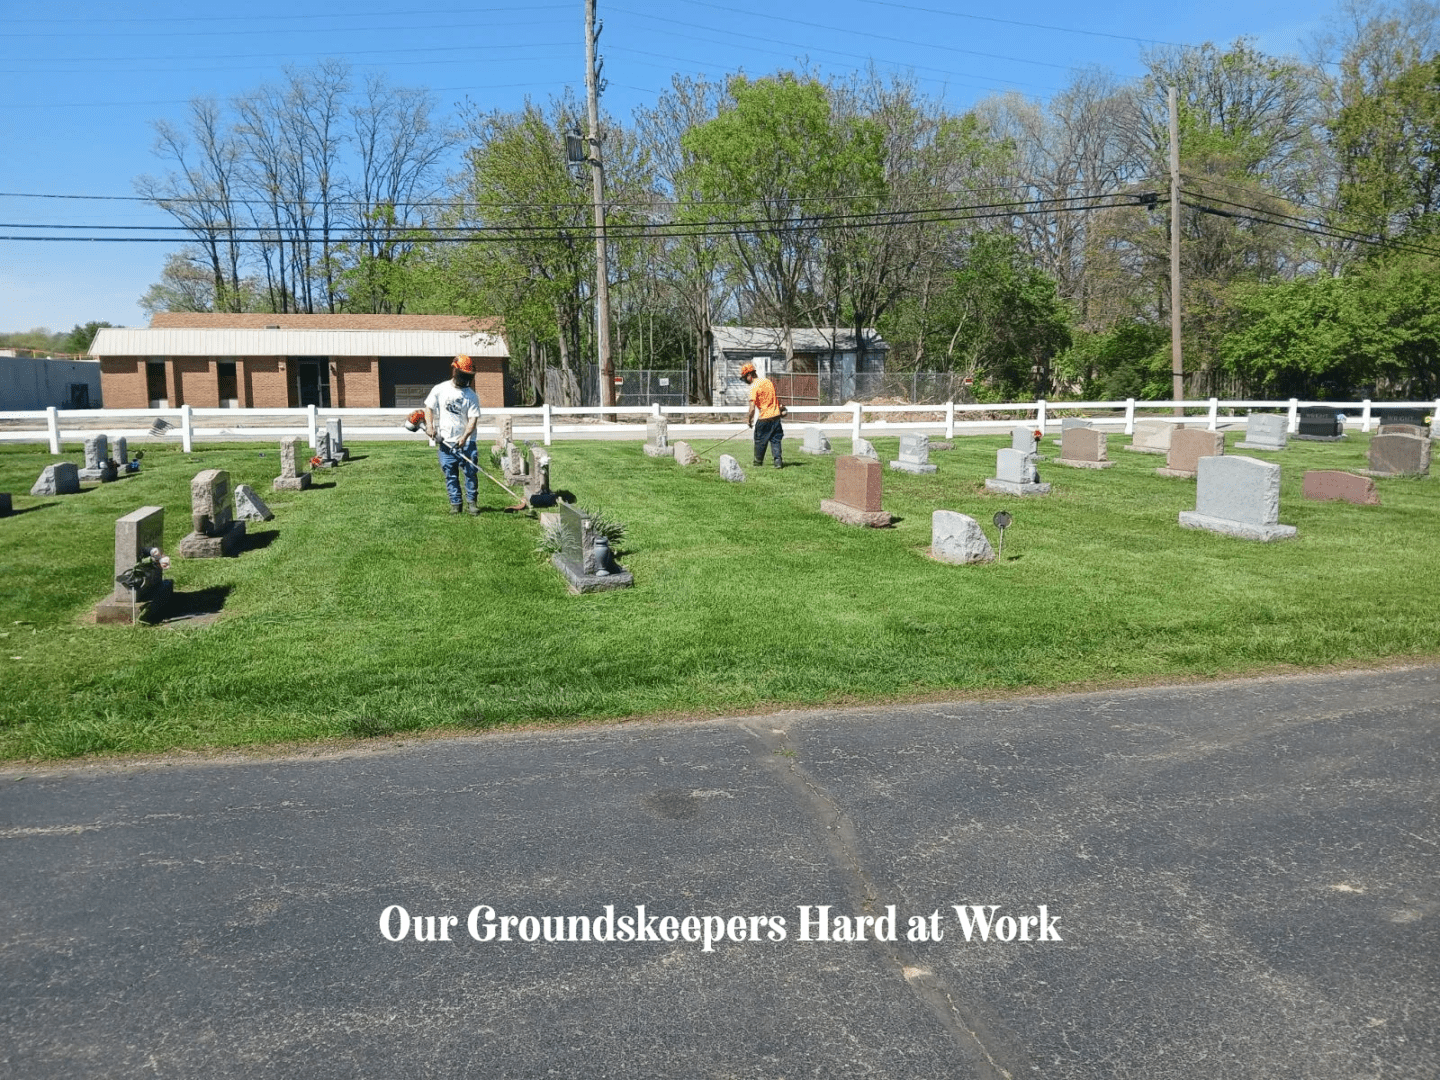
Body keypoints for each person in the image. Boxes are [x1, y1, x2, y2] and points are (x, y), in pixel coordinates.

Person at [424, 355, 483, 514]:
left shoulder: (471, 396)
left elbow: (473, 420)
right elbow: (428, 408)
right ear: (455, 370)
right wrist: (430, 426)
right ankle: (456, 504)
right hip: (446, 443)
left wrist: (464, 437)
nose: (465, 379)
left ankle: (472, 503)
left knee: (470, 473)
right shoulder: (440, 389)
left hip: (467, 443)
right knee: (450, 474)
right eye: (462, 375)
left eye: (468, 376)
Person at [742, 361, 785, 468]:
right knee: (775, 440)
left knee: (760, 440)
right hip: (775, 417)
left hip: (764, 418)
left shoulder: (754, 387)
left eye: (744, 378)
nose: (744, 380)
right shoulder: (768, 382)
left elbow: (752, 408)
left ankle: (757, 463)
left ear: (749, 375)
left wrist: (749, 420)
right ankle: (778, 462)